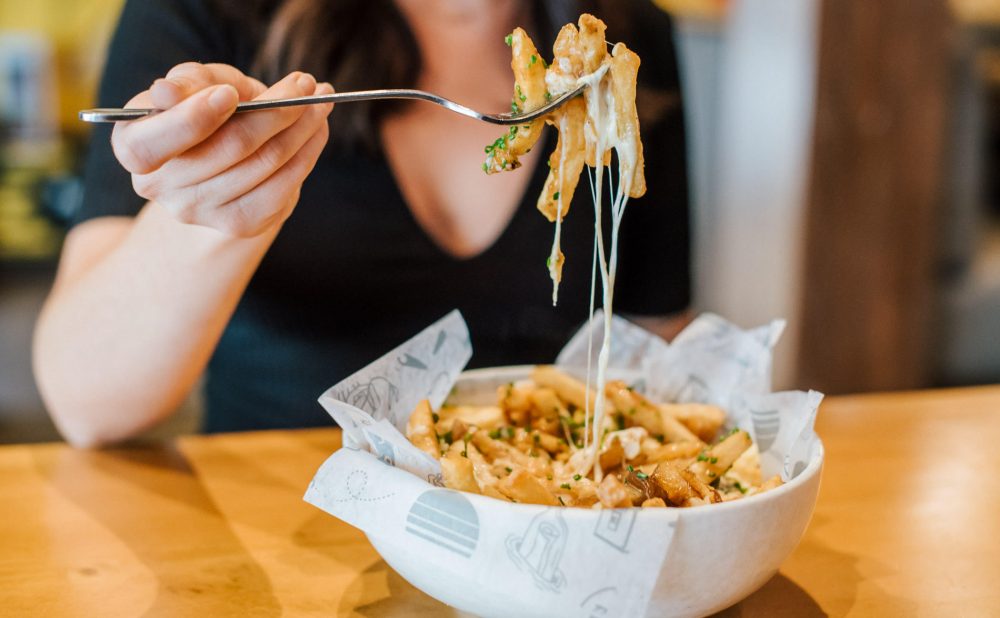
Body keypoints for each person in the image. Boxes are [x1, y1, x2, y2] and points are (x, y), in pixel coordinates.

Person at [33, 0, 691, 447]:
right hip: (274, 539)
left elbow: (653, 340)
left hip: (541, 535)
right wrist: (219, 204)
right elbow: (87, 402)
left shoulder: (626, 36)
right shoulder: (209, 13)